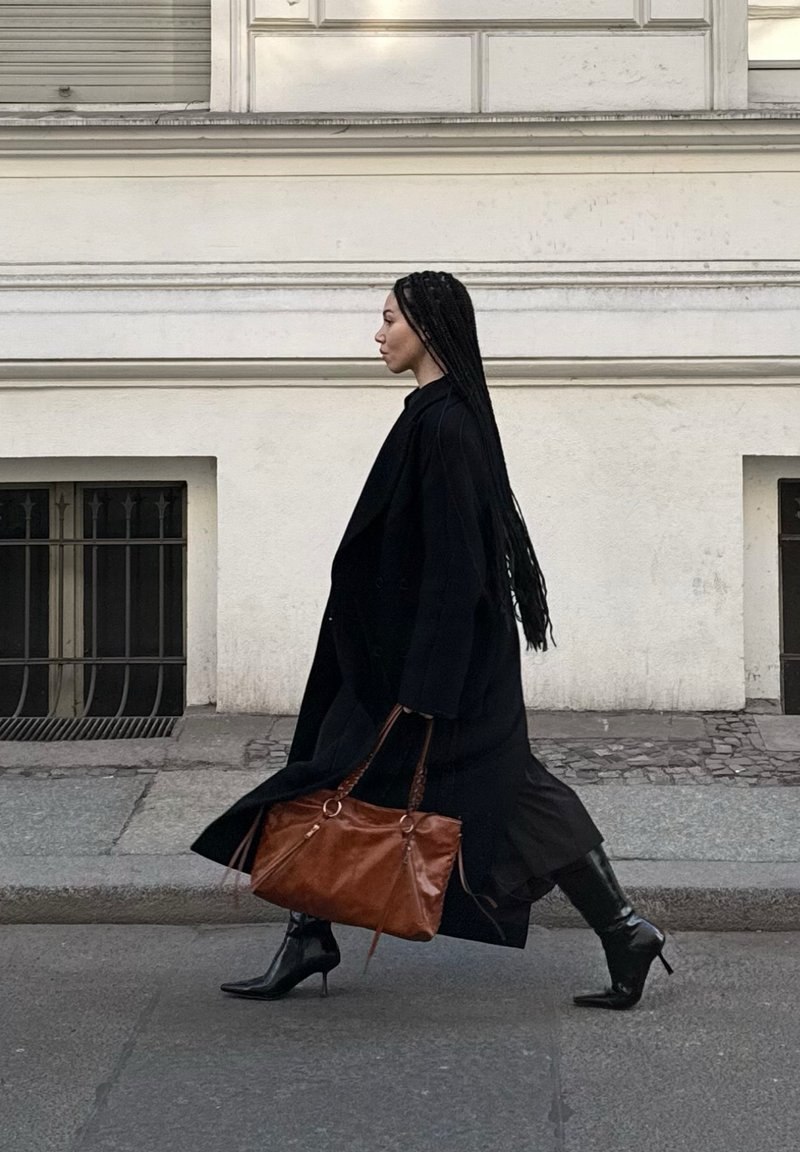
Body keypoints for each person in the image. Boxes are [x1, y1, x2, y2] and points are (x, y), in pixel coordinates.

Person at [191, 270, 673, 1011]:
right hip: (407, 657)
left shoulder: (447, 423)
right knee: (357, 772)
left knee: (487, 788)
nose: (377, 334)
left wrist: (426, 688)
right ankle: (310, 931)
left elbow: (459, 567)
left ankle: (622, 927)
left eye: (388, 319)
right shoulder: (434, 413)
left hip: (431, 667)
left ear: (425, 324)